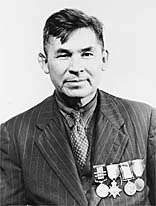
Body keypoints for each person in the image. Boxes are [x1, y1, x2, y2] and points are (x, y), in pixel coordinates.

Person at [0, 8, 156, 206]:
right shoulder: (13, 135)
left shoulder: (144, 119)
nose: (76, 68)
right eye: (63, 55)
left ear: (104, 59)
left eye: (87, 54)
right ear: (44, 62)